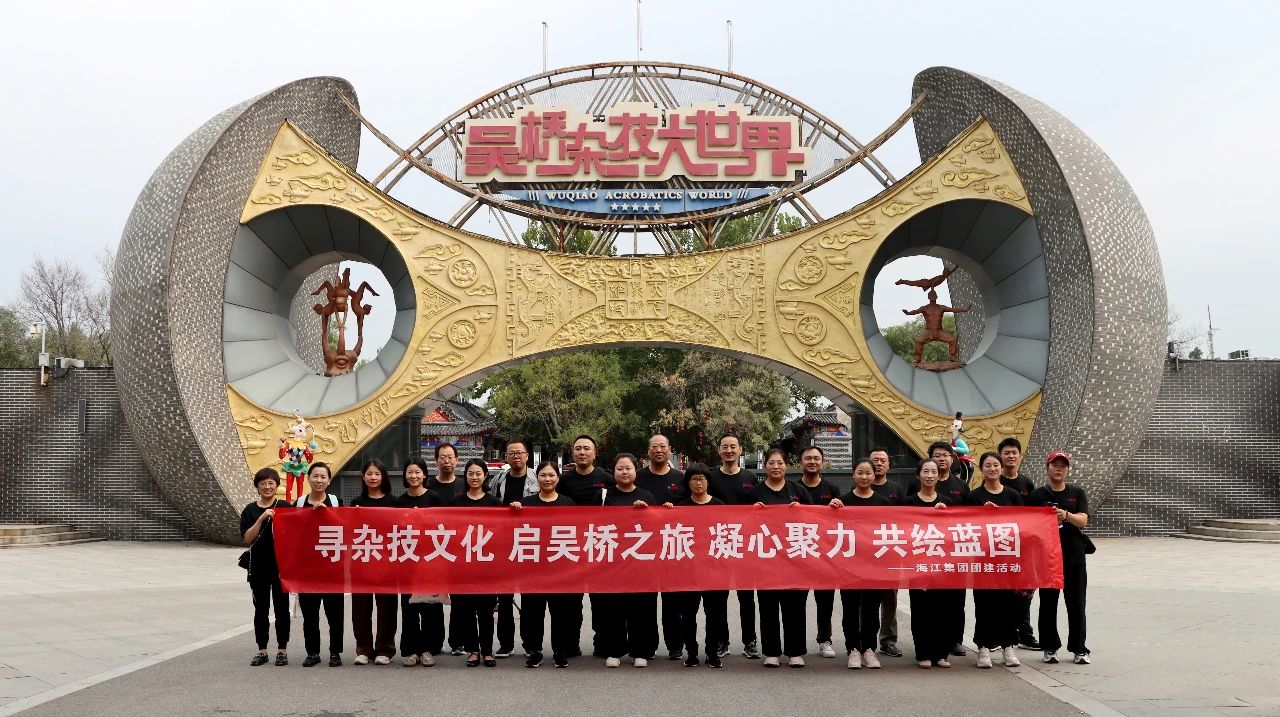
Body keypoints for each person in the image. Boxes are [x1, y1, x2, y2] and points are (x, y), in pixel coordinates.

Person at [512, 461, 579, 668]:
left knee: (561, 612)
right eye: (543, 475)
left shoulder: (568, 503)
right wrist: (514, 511)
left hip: (560, 568)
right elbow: (514, 530)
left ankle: (560, 650)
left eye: (551, 475)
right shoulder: (526, 503)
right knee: (532, 612)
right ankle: (534, 650)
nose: (547, 479)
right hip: (533, 569)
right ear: (537, 478)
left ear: (558, 478)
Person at [1027, 451, 1092, 665]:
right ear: (1047, 468)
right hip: (1047, 558)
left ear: (1068, 470)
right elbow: (1027, 525)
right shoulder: (1037, 495)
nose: (1059, 469)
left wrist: (1066, 515)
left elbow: (1083, 520)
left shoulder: (1077, 493)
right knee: (1048, 603)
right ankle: (1049, 646)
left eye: (1063, 466)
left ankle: (1079, 648)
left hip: (1074, 556)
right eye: (1055, 465)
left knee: (1077, 604)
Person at [597, 453, 659, 668]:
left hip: (640, 563)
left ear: (635, 471)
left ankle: (640, 650)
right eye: (620, 468)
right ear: (613, 472)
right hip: (612, 561)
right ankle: (614, 650)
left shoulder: (647, 496)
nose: (624, 472)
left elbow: (658, 528)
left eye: (628, 468)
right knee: (613, 608)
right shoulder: (603, 496)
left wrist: (646, 513)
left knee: (641, 608)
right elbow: (593, 524)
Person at [827, 459, 890, 670]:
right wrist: (831, 509)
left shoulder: (883, 503)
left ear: (874, 476)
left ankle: (869, 649)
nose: (864, 477)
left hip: (875, 565)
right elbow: (830, 529)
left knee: (872, 608)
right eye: (860, 473)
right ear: (853, 475)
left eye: (868, 473)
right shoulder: (843, 502)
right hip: (849, 566)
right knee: (850, 608)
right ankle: (853, 649)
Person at [751, 448, 811, 668]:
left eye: (780, 463)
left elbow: (816, 519)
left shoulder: (798, 490)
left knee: (795, 607)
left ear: (787, 465)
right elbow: (742, 524)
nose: (776, 467)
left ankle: (795, 652)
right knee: (768, 606)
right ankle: (771, 652)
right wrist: (752, 512)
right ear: (765, 466)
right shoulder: (755, 492)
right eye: (771, 463)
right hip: (766, 559)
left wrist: (802, 510)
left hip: (795, 558)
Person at [909, 441, 970, 656]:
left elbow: (969, 518)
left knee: (954, 600)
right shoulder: (914, 489)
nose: (941, 459)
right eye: (937, 455)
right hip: (922, 552)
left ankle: (954, 641)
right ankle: (926, 648)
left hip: (953, 553)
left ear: (952, 459)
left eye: (945, 455)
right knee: (925, 603)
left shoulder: (961, 486)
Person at [968, 451, 1024, 669]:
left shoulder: (1013, 495)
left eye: (995, 465)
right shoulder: (974, 496)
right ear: (981, 469)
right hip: (982, 560)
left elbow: (1022, 525)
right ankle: (983, 647)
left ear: (1001, 468)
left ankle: (1008, 646)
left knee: (1009, 604)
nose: (992, 469)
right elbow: (965, 527)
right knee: (984, 604)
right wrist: (982, 515)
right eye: (988, 466)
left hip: (1007, 559)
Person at [707, 433, 760, 659]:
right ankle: (722, 641)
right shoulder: (711, 477)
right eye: (725, 447)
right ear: (719, 450)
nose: (729, 450)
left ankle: (750, 641)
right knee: (718, 598)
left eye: (733, 447)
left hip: (744, 544)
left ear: (740, 450)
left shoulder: (750, 477)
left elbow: (760, 508)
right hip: (718, 543)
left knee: (746, 598)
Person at [898, 459, 953, 668]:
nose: (930, 476)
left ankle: (942, 653)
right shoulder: (908, 502)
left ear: (939, 476)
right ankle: (923, 653)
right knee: (921, 609)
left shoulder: (947, 502)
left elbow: (957, 532)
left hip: (942, 565)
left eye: (933, 472)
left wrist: (945, 516)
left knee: (943, 609)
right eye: (926, 471)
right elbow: (902, 529)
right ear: (918, 475)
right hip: (918, 564)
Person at [671, 463, 728, 668]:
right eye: (694, 479)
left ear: (708, 482)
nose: (698, 483)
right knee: (688, 615)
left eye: (701, 479)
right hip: (688, 571)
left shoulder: (720, 506)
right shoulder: (680, 507)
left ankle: (712, 653)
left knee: (715, 615)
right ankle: (692, 653)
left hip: (715, 570)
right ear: (688, 483)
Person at [561, 435, 612, 657]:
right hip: (571, 546)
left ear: (595, 453)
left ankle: (603, 644)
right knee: (571, 602)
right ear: (573, 453)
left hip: (599, 545)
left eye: (586, 448)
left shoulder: (607, 479)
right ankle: (570, 645)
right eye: (578, 448)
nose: (582, 452)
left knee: (601, 601)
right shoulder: (564, 480)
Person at [635, 434, 686, 660]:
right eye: (654, 446)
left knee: (673, 601)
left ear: (669, 449)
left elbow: (690, 508)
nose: (658, 450)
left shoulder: (680, 478)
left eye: (662, 446)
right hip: (643, 546)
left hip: (672, 545)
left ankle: (675, 645)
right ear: (648, 451)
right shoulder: (637, 477)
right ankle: (648, 645)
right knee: (645, 602)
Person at [487, 439, 536, 658]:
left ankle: (530, 644)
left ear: (527, 456)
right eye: (512, 453)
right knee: (504, 597)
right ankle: (505, 644)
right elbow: (490, 506)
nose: (516, 456)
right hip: (503, 543)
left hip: (529, 541)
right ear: (506, 456)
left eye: (519, 453)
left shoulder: (537, 478)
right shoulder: (498, 479)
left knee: (530, 597)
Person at [396, 457, 445, 667]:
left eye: (417, 472)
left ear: (424, 474)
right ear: (405, 475)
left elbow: (443, 527)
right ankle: (410, 650)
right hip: (407, 562)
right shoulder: (400, 502)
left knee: (429, 608)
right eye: (410, 472)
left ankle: (427, 649)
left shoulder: (434, 498)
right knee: (409, 608)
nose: (414, 476)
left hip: (430, 561)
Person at [451, 459, 501, 667]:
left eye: (478, 473)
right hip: (462, 567)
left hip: (486, 567)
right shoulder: (456, 503)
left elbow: (502, 532)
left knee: (486, 612)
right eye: (470, 473)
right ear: (465, 476)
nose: (474, 477)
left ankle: (488, 651)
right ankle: (473, 650)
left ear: (485, 476)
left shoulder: (494, 502)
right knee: (466, 611)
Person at [350, 459, 398, 666]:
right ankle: (363, 649)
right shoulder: (356, 503)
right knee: (361, 607)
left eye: (377, 474)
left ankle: (384, 649)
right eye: (369, 474)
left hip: (387, 561)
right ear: (363, 477)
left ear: (383, 477)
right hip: (362, 560)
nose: (373, 477)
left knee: (387, 607)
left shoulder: (394, 502)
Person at [295, 462, 344, 667]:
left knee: (335, 614)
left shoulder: (336, 502)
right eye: (315, 476)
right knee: (310, 615)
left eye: (323, 477)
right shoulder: (299, 503)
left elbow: (346, 528)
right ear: (308, 478)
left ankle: (335, 652)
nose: (319, 480)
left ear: (329, 480)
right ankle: (312, 652)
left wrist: (328, 514)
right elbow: (293, 533)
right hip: (308, 569)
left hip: (332, 569)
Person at [795, 445, 841, 660]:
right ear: (800, 462)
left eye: (816, 458)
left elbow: (842, 521)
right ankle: (797, 644)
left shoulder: (832, 488)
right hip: (800, 552)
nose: (812, 462)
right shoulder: (793, 489)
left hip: (825, 554)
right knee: (797, 602)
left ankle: (825, 640)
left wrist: (838, 506)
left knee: (825, 601)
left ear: (822, 462)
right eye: (808, 458)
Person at [241, 467, 290, 667]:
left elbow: (297, 533)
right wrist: (261, 518)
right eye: (263, 483)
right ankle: (262, 650)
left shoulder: (285, 506)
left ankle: (282, 650)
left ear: (277, 485)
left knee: (282, 609)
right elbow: (247, 538)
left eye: (271, 483)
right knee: (260, 609)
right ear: (257, 487)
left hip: (281, 567)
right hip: (258, 567)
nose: (267, 487)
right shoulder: (250, 510)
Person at [997, 436, 1040, 650]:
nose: (1011, 456)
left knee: (1025, 592)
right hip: (999, 545)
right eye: (1007, 453)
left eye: (1014, 452)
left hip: (1023, 546)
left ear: (1020, 456)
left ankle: (1025, 633)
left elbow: (1034, 513)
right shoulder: (995, 481)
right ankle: (999, 634)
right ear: (1000, 456)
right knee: (1001, 592)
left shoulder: (1026, 483)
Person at [428, 442, 467, 656]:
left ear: (457, 460)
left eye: (450, 457)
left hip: (459, 548)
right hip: (433, 548)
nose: (447, 461)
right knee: (434, 598)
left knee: (459, 598)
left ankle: (457, 641)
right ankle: (435, 642)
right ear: (436, 461)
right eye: (442, 457)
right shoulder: (427, 485)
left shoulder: (464, 484)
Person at [868, 447, 904, 658]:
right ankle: (865, 641)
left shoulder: (897, 489)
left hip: (890, 551)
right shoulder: (861, 487)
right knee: (866, 599)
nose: (879, 463)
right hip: (866, 553)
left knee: (890, 598)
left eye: (883, 460)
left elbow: (907, 517)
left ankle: (888, 640)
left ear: (889, 465)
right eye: (875, 460)